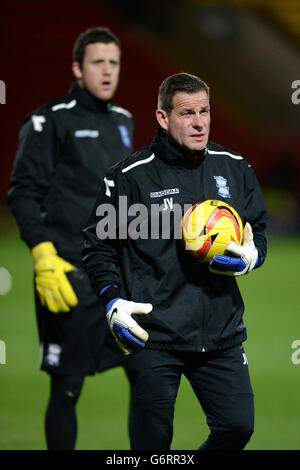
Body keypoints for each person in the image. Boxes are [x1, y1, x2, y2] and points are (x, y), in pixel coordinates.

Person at [82, 72, 268, 450]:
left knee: (237, 427)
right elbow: (98, 247)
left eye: (205, 111)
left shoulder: (233, 167)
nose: (199, 122)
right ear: (163, 118)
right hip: (153, 335)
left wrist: (253, 255)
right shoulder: (130, 178)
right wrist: (113, 300)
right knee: (151, 446)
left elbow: (258, 228)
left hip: (220, 333)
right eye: (187, 113)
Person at [7, 27, 134, 450]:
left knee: (150, 377)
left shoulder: (124, 122)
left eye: (114, 62)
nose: (107, 71)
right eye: (97, 62)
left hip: (119, 276)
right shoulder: (48, 120)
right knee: (67, 387)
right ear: (78, 68)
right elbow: (22, 193)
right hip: (67, 273)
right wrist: (42, 253)